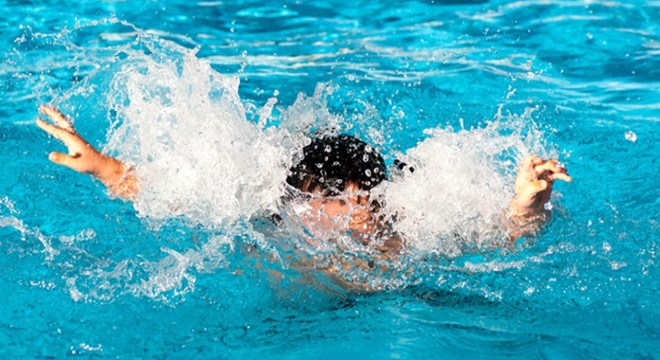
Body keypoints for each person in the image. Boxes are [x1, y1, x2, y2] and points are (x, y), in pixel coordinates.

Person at [35, 105, 572, 252]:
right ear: (299, 202)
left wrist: (527, 203)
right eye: (339, 201)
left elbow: (499, 240)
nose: (357, 211)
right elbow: (176, 194)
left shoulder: (402, 230)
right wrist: (102, 165)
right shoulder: (267, 214)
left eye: (365, 199)